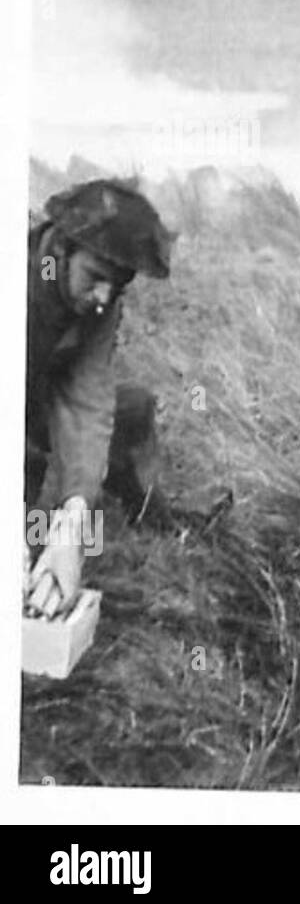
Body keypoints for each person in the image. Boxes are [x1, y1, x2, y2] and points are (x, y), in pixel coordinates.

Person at [25, 179, 173, 617]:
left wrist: (72, 521)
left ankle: (139, 505)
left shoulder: (99, 302)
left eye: (117, 288)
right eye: (96, 279)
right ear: (61, 250)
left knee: (133, 406)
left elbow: (87, 401)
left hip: (38, 395)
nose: (104, 298)